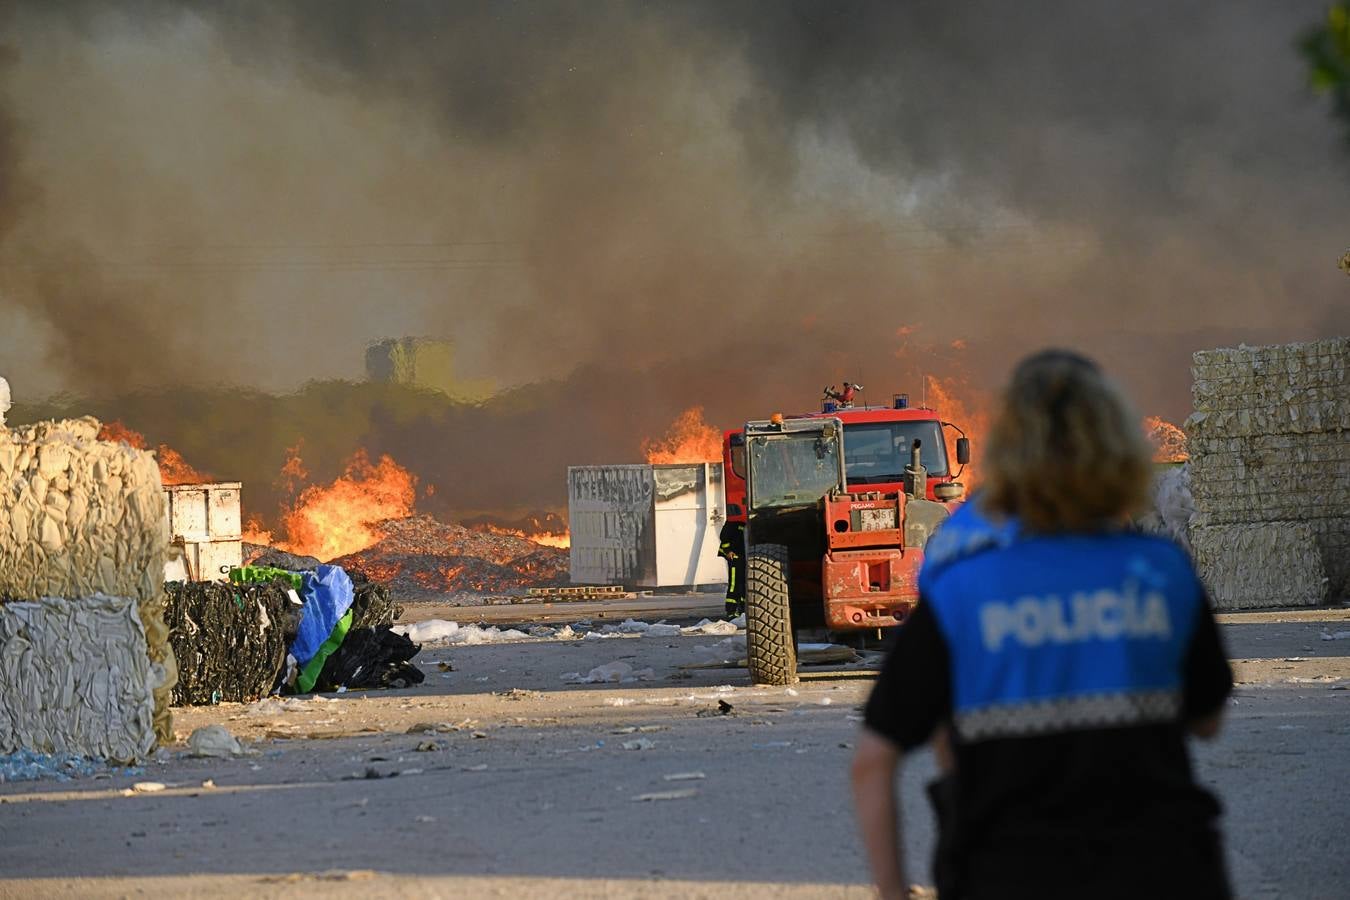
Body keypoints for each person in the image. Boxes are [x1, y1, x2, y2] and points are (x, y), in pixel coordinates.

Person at [851, 349, 1233, 899]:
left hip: (1005, 873)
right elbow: (1206, 721)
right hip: (1163, 871)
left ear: (1007, 452)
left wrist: (892, 890)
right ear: (1119, 446)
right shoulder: (1159, 569)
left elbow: (873, 761)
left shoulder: (963, 587)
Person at [718, 518, 746, 618]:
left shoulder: (746, 522)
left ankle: (743, 609)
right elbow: (724, 537)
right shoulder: (733, 520)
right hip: (734, 556)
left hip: (744, 556)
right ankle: (731, 611)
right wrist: (728, 550)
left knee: (744, 583)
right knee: (735, 584)